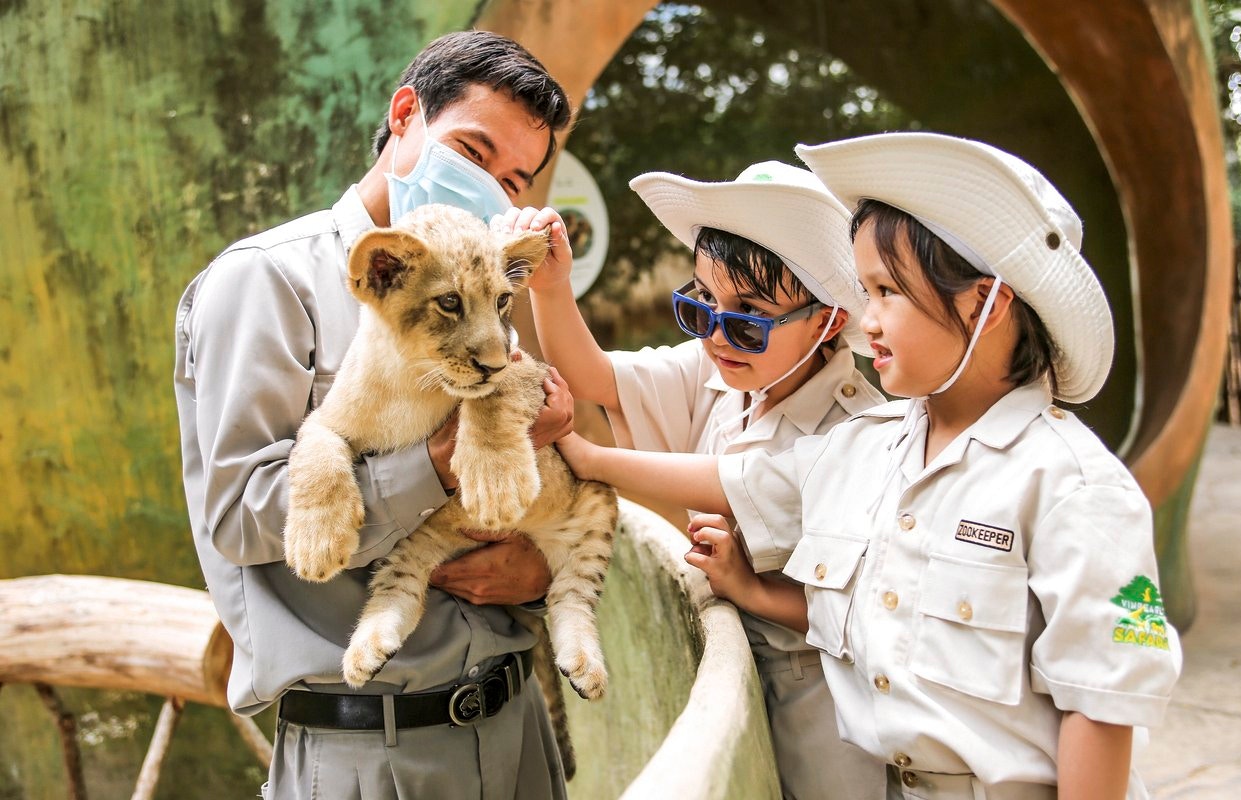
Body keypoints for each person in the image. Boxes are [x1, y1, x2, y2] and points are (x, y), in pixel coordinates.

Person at [555, 132, 1182, 799]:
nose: (868, 320)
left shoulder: (1074, 487)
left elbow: (1100, 707)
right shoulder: (870, 445)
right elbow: (741, 487)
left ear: (985, 303)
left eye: (887, 293)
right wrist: (753, 590)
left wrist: (588, 456)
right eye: (865, 290)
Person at [174, 31, 575, 800]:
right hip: (368, 743)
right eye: (472, 150)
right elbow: (238, 515)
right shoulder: (267, 283)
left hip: (515, 721)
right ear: (404, 116)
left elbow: (528, 475)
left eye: (515, 179)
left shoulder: (489, 284)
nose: (490, 186)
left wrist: (539, 572)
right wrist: (437, 462)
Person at [494, 160, 886, 799]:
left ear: (829, 321)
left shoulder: (859, 429)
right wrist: (551, 287)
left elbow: (739, 480)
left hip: (829, 710)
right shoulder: (721, 374)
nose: (717, 336)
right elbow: (594, 378)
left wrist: (589, 458)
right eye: (701, 305)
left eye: (748, 318)